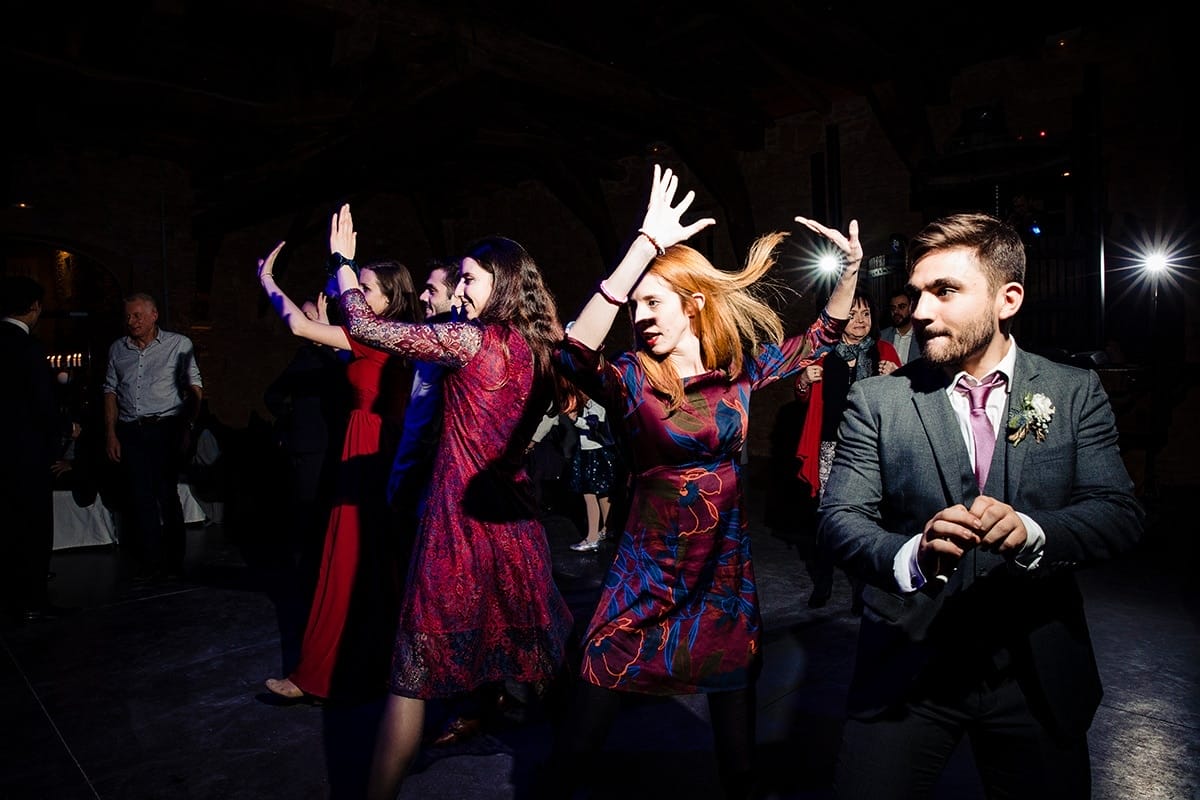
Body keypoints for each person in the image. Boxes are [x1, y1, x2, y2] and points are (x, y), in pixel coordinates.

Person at [547, 165, 861, 799]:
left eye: (653, 302)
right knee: (583, 729)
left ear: (693, 304)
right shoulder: (632, 376)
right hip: (647, 571)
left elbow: (818, 338)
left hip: (722, 575)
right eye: (637, 306)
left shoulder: (739, 371)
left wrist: (850, 273)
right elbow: (568, 353)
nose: (641, 316)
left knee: (737, 738)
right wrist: (642, 251)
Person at [819, 212, 1144, 799]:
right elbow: (839, 521)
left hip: (1034, 668)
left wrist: (1031, 531)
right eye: (918, 293)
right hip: (909, 669)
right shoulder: (879, 400)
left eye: (945, 291)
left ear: (1007, 299)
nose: (920, 311)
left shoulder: (1072, 393)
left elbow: (1117, 514)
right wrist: (911, 555)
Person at [323, 204, 573, 799]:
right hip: (514, 525)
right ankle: (574, 769)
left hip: (456, 528)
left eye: (469, 278)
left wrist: (343, 267)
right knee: (542, 663)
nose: (460, 290)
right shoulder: (540, 347)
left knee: (411, 676)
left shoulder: (467, 339)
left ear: (502, 283)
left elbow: (367, 327)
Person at [258, 240, 418, 703]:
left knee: (351, 559)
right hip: (379, 447)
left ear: (388, 298)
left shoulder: (375, 335)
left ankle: (323, 675)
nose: (357, 295)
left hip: (369, 445)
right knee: (372, 564)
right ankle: (371, 668)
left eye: (366, 289)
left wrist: (268, 282)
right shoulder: (388, 338)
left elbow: (299, 326)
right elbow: (313, 331)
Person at [793, 290, 900, 611]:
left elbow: (904, 402)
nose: (859, 321)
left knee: (869, 520)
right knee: (829, 516)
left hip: (872, 448)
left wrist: (896, 378)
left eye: (865, 314)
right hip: (830, 447)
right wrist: (802, 380)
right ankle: (823, 584)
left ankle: (863, 592)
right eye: (852, 314)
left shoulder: (885, 351)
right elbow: (802, 398)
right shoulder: (823, 352)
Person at [103, 292, 203, 580]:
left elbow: (194, 387)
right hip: (131, 430)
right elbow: (109, 390)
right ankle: (151, 561)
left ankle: (174, 561)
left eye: (138, 315)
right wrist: (111, 432)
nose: (132, 321)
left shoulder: (177, 345)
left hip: (165, 428)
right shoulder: (118, 350)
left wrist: (187, 427)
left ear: (154, 315)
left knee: (166, 494)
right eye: (128, 317)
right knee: (139, 497)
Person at [263, 295, 351, 577]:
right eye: (302, 314)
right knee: (307, 506)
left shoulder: (337, 354)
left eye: (310, 314)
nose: (304, 319)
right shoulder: (304, 357)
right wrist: (291, 417)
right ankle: (308, 568)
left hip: (338, 439)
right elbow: (273, 395)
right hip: (310, 444)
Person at [0, 276, 62, 624]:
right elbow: (42, 404)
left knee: (7, 527)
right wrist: (65, 430)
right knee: (34, 527)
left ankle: (11, 597)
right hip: (27, 454)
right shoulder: (28, 347)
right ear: (35, 308)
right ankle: (33, 601)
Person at [565, 389, 619, 552]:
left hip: (595, 453)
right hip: (592, 451)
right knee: (602, 494)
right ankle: (607, 529)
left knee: (589, 494)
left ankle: (592, 538)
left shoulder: (596, 404)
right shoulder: (589, 404)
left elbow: (593, 423)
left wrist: (574, 420)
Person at [878, 285, 920, 365]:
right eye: (893, 308)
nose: (896, 312)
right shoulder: (882, 337)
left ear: (911, 308)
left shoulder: (922, 338)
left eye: (902, 307)